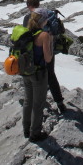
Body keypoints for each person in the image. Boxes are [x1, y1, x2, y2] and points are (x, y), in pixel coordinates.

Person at [23, 0, 67, 113]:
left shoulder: (29, 17)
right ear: (38, 3)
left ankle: (36, 103)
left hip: (36, 51)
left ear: (28, 6)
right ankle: (60, 102)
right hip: (50, 49)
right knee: (51, 75)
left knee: (35, 75)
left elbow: (25, 35)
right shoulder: (48, 14)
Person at [22, 11, 51, 142]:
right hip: (39, 73)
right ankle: (35, 133)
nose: (47, 21)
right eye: (46, 19)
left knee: (28, 101)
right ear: (42, 21)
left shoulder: (27, 33)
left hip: (26, 71)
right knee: (38, 104)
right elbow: (48, 58)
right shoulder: (44, 35)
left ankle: (26, 129)